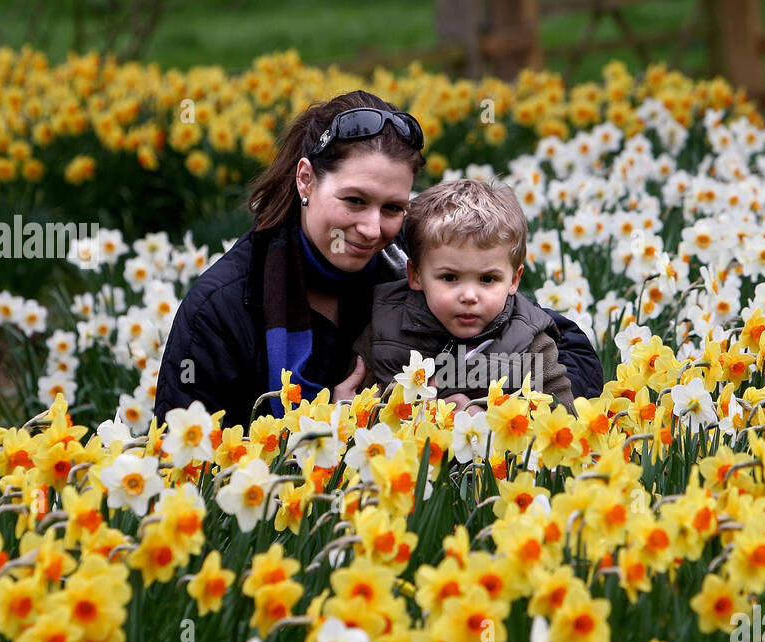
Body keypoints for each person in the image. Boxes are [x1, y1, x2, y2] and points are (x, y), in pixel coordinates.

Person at [154, 90, 603, 426]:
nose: (372, 229)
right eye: (354, 201)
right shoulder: (226, 304)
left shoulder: (414, 260)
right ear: (306, 180)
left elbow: (569, 349)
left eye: (392, 208)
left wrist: (493, 408)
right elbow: (187, 448)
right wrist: (326, 427)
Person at [347, 178, 574, 412]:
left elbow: (561, 423)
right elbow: (359, 413)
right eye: (450, 278)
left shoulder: (531, 345)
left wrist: (484, 426)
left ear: (514, 280)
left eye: (487, 279)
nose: (468, 296)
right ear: (415, 275)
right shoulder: (383, 326)